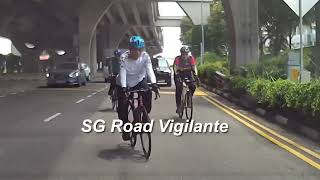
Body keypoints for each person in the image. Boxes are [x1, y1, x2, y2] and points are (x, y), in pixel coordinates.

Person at [116, 35, 159, 141]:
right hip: (124, 82)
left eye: (140, 50)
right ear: (130, 49)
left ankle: (144, 118)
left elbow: (149, 70)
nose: (137, 53)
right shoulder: (124, 57)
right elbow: (123, 73)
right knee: (122, 106)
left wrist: (154, 83)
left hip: (139, 80)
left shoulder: (145, 56)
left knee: (148, 94)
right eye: (135, 50)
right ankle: (126, 127)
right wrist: (124, 87)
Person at [173, 46, 200, 114]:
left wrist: (196, 76)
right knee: (179, 87)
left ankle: (189, 98)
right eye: (183, 54)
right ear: (181, 53)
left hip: (188, 73)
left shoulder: (191, 58)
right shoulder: (177, 58)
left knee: (193, 86)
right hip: (179, 74)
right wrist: (177, 75)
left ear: (188, 54)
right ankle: (179, 105)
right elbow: (175, 68)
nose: (184, 56)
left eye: (186, 54)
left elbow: (194, 67)